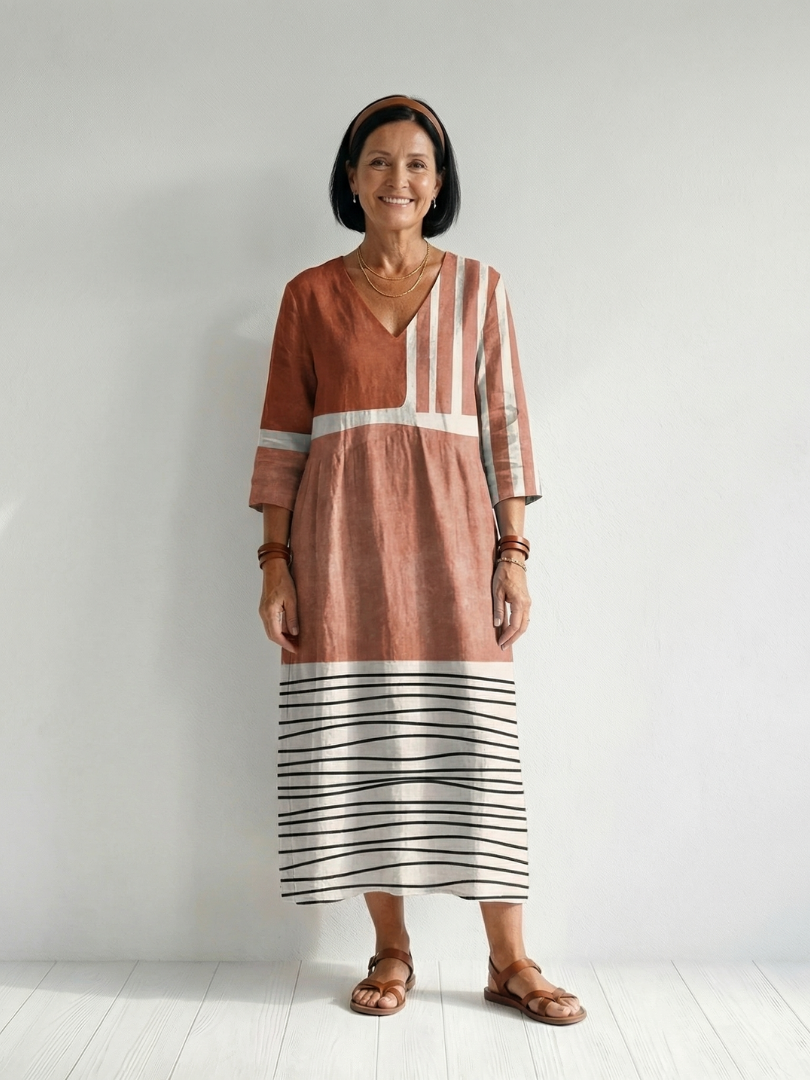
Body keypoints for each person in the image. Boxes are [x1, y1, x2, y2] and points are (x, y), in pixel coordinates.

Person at [248, 94, 586, 1025]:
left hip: (453, 544)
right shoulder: (308, 296)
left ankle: (509, 960)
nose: (398, 178)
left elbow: (506, 428)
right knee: (360, 749)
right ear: (351, 179)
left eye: (417, 164)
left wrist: (514, 554)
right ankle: (390, 948)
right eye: (379, 162)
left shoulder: (480, 288)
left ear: (439, 185)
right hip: (338, 551)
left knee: (477, 750)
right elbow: (282, 438)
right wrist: (274, 561)